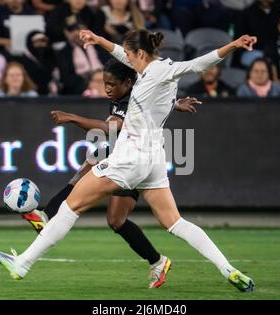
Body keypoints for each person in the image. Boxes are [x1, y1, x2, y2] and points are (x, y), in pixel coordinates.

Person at [0, 28, 257, 292]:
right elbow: (120, 53)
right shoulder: (152, 69)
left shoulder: (160, 70)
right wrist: (96, 40)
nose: (126, 60)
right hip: (154, 159)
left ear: (140, 53)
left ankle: (22, 263)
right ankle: (228, 269)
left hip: (131, 156)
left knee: (71, 207)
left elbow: (201, 62)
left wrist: (233, 44)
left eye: (130, 55)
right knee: (176, 222)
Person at [21, 58, 201, 288]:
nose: (107, 88)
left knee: (90, 175)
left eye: (111, 84)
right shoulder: (130, 91)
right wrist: (175, 104)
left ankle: (46, 216)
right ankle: (158, 262)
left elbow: (112, 127)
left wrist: (72, 117)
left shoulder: (131, 97)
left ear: (127, 83)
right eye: (104, 83)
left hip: (135, 162)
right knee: (115, 219)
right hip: (124, 155)